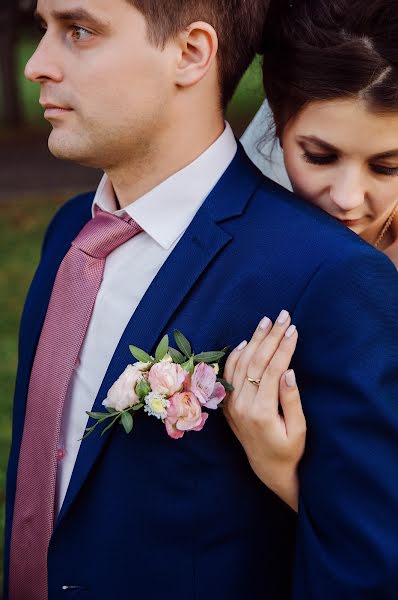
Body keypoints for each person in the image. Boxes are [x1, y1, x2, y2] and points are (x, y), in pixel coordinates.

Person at [4, 1, 398, 599]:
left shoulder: (335, 277)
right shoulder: (68, 233)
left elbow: (364, 563)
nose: (36, 65)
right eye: (43, 28)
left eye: (80, 31)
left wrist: (289, 476)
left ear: (191, 52)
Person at [227, 0, 398, 536]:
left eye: (388, 166)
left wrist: (282, 473)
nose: (348, 198)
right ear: (276, 121)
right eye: (319, 157)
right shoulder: (244, 258)